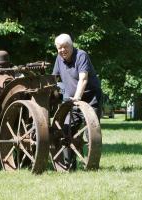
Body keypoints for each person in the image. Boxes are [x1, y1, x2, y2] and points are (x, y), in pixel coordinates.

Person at [52, 33, 102, 170]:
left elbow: (83, 79)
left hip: (90, 98)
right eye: (59, 48)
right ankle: (69, 166)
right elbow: (54, 79)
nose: (62, 50)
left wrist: (77, 97)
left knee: (91, 133)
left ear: (71, 45)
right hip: (72, 100)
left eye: (65, 47)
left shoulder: (81, 55)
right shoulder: (59, 58)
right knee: (67, 131)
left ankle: (92, 166)